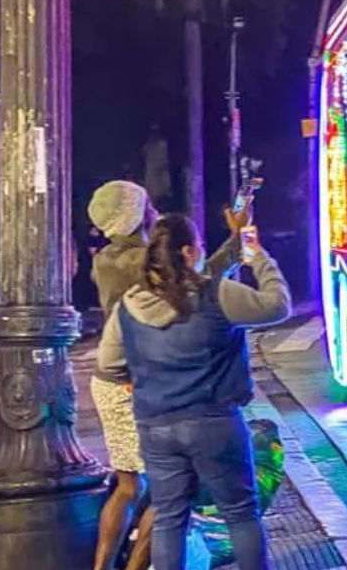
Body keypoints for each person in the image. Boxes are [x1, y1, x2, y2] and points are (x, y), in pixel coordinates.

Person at [98, 213, 291, 570]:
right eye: (200, 247)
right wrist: (252, 247)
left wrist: (143, 373)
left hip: (156, 427)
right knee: (240, 514)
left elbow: (108, 364)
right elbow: (277, 305)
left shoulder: (128, 304)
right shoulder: (216, 294)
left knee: (171, 518)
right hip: (213, 423)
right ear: (188, 253)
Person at [87, 180, 249, 570]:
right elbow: (198, 280)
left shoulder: (105, 259)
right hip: (140, 377)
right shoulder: (145, 259)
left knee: (128, 486)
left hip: (108, 378)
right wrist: (236, 239)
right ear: (140, 214)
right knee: (171, 495)